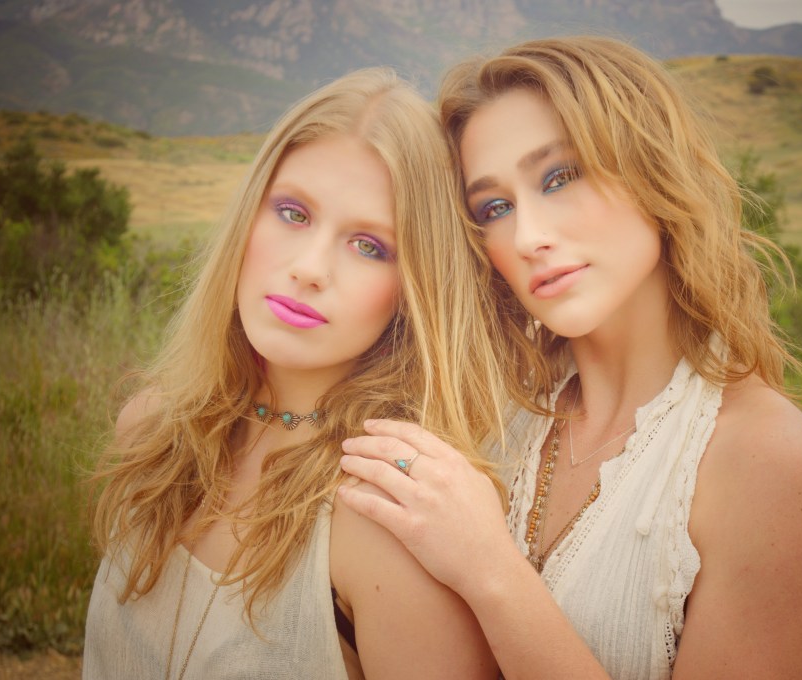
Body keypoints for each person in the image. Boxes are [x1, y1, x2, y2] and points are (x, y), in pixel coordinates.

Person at [338, 36, 802, 679]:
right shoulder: (481, 417)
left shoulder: (772, 460)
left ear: (650, 167)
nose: (529, 237)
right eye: (495, 208)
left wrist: (490, 570)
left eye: (560, 177)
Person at [83, 68, 517, 680]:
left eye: (369, 246)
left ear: (416, 284)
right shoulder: (150, 430)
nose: (309, 268)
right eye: (292, 213)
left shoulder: (388, 515)